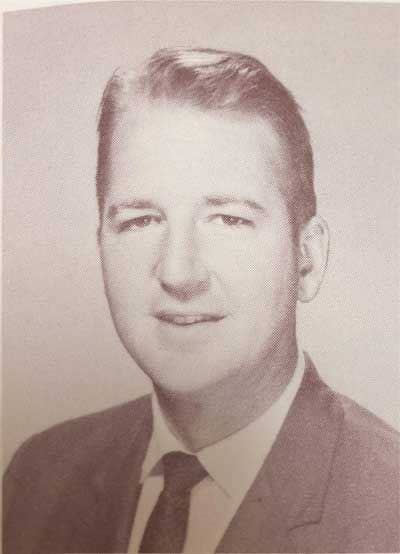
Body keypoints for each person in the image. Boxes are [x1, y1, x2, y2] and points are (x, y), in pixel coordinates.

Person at [3, 48, 399, 554]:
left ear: (307, 258)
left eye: (229, 219)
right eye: (141, 221)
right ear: (101, 242)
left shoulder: (388, 506)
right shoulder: (38, 479)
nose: (179, 272)